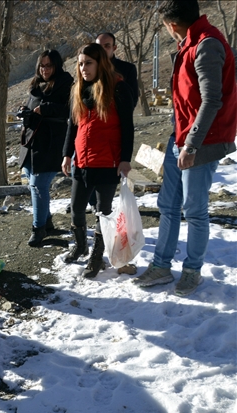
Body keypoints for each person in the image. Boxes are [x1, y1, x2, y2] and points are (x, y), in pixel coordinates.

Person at [134, 0, 236, 296]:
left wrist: (191, 145)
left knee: (194, 210)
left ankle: (192, 272)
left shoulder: (207, 46)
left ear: (172, 24)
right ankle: (161, 267)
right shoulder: (189, 44)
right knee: (167, 205)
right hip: (180, 138)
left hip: (200, 143)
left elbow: (211, 100)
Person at [61, 43, 134, 278]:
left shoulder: (117, 87)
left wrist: (125, 159)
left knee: (103, 212)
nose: (84, 68)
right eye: (80, 63)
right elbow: (72, 126)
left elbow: (127, 127)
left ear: (100, 62)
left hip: (107, 161)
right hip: (82, 162)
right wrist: (66, 155)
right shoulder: (78, 89)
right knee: (76, 208)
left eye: (88, 63)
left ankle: (96, 257)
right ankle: (81, 246)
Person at [18, 49, 74, 246]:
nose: (45, 69)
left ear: (56, 65)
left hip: (52, 143)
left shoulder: (66, 83)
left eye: (49, 65)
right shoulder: (36, 85)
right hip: (33, 143)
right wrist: (25, 112)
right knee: (35, 184)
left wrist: (46, 109)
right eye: (42, 65)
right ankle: (47, 222)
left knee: (38, 186)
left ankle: (38, 228)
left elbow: (70, 110)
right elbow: (31, 107)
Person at [96, 32, 139, 108]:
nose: (102, 50)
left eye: (107, 46)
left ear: (114, 48)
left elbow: (133, 97)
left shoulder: (127, 68)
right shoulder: (89, 68)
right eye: (99, 47)